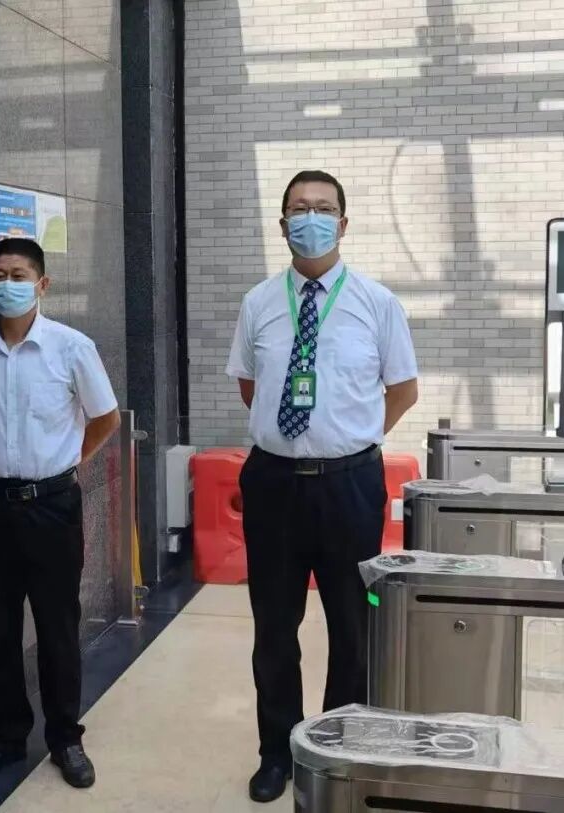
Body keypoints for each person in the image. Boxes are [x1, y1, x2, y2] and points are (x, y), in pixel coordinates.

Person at [226, 170, 418, 803]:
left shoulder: (377, 302)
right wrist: (296, 433)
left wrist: (353, 436)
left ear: (343, 222)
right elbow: (250, 385)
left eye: (324, 208)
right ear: (282, 224)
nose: (311, 218)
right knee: (274, 627)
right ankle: (276, 752)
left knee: (352, 626)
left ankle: (337, 749)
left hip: (349, 485)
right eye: (299, 209)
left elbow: (403, 389)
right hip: (274, 483)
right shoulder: (258, 301)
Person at [0, 238, 120, 789]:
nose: (7, 283)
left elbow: (105, 418)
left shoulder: (71, 347)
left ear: (42, 284)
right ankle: (5, 738)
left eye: (18, 274)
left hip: (52, 507)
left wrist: (69, 461)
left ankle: (65, 739)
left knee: (58, 626)